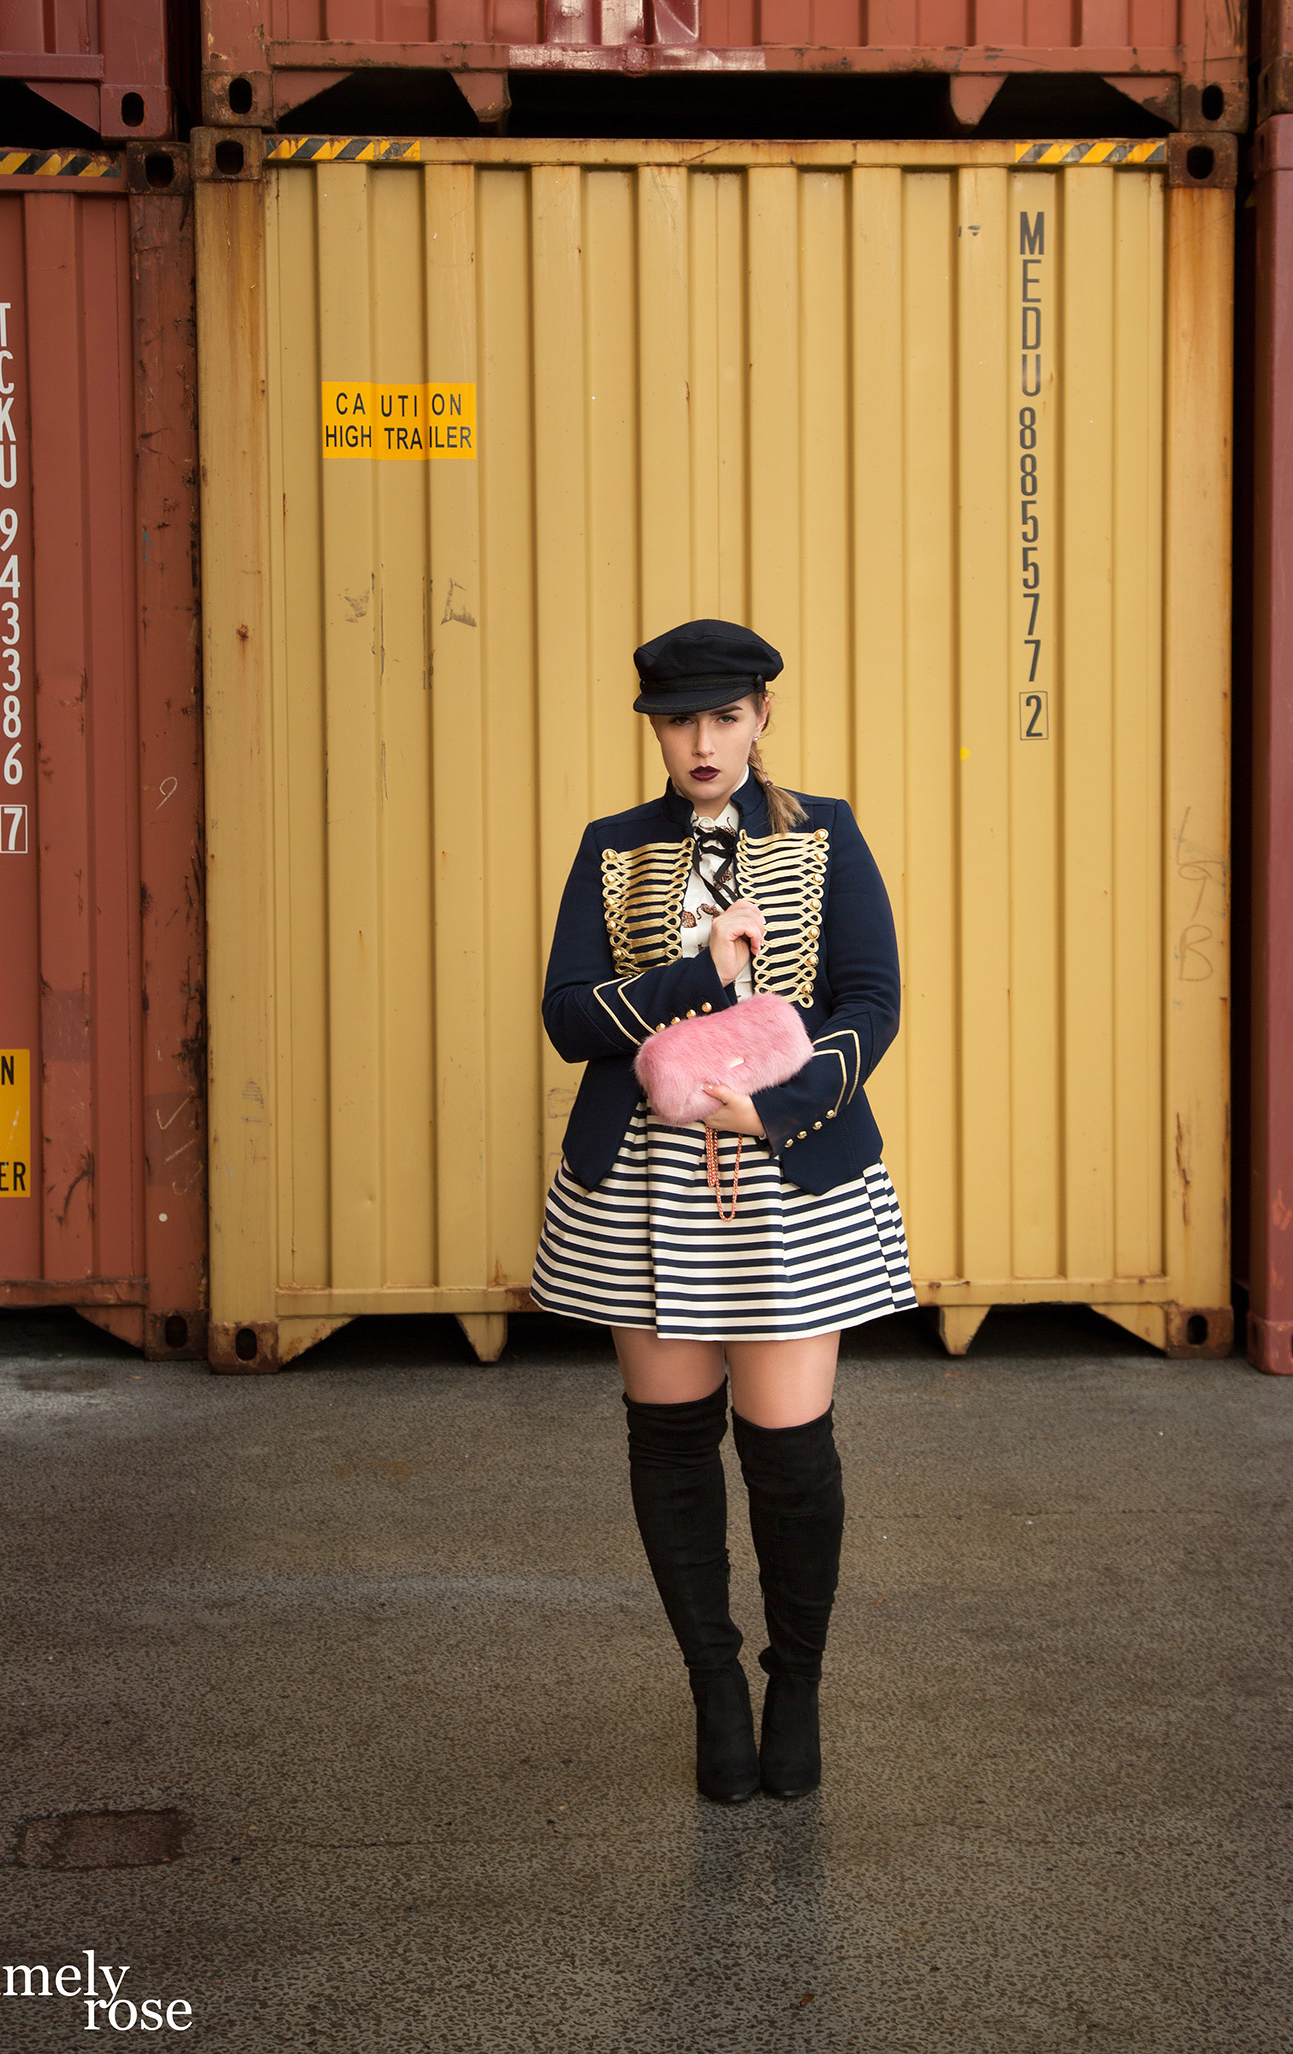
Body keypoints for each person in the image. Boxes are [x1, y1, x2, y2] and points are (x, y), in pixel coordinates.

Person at [532, 619, 914, 1803]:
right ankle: (711, 1684)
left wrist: (788, 1102)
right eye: (677, 719)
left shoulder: (827, 832)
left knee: (791, 1455)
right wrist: (699, 973)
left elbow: (872, 998)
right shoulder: (610, 846)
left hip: (786, 1166)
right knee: (670, 1443)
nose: (701, 741)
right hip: (647, 1178)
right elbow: (567, 1015)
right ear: (653, 726)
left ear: (760, 717)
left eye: (723, 716)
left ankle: (792, 1681)